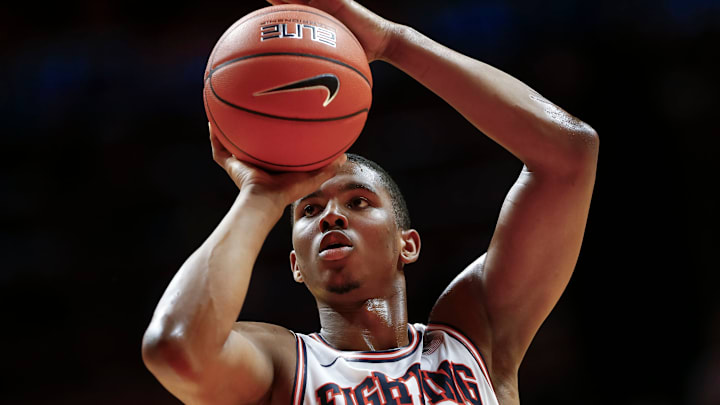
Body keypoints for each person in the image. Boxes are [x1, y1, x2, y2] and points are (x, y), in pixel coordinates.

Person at [142, 0, 599, 404]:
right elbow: (176, 349)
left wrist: (393, 42)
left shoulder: (475, 340)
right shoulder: (283, 365)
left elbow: (569, 153)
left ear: (409, 245)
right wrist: (262, 196)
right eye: (308, 209)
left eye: (359, 202)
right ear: (296, 265)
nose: (331, 215)